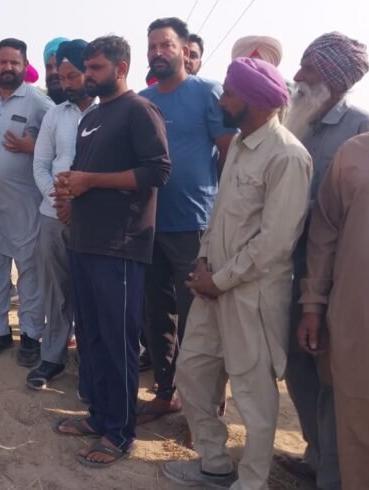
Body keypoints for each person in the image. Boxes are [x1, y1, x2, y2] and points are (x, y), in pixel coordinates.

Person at [163, 58, 310, 490]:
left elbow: (274, 242)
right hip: (213, 288)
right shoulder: (240, 146)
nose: (221, 100)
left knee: (253, 398)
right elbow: (220, 213)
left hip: (252, 297)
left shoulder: (287, 155)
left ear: (256, 101)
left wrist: (221, 279)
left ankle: (251, 482)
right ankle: (214, 464)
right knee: (191, 373)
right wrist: (203, 261)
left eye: (228, 93)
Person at [51, 35, 171, 468]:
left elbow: (158, 170)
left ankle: (119, 433)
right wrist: (70, 190)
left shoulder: (140, 110)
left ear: (121, 68)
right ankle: (100, 416)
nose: (88, 75)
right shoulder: (93, 116)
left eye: (96, 68)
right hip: (84, 240)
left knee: (118, 342)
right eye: (87, 67)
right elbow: (85, 172)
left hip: (119, 245)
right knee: (92, 337)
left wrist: (90, 182)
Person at [298, 39, 369, 490]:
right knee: (356, 440)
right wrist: (312, 306)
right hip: (353, 325)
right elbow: (324, 234)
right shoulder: (356, 152)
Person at [279, 32, 369, 490]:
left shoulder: (362, 128)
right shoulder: (296, 120)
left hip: (334, 276)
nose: (298, 76)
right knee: (296, 368)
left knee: (330, 375)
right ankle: (316, 456)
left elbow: (357, 210)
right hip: (290, 267)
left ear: (335, 79)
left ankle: (334, 476)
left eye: (310, 68)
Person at [138, 17, 235, 424]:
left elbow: (229, 155)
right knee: (157, 315)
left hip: (194, 225)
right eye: (152, 46)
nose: (158, 52)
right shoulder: (142, 100)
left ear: (183, 49)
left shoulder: (207, 93)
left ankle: (206, 411)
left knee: (199, 319)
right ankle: (167, 393)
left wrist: (223, 215)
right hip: (149, 225)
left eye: (166, 45)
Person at [0, 38, 53, 366]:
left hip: (26, 205)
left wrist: (32, 146)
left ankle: (31, 336)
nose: (7, 67)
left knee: (29, 274)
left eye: (14, 62)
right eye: (2, 62)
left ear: (24, 66)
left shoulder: (39, 103)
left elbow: (60, 145)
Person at [29, 39, 96, 390]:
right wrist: (55, 198)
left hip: (94, 219)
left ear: (89, 71)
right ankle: (52, 357)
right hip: (53, 215)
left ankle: (89, 363)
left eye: (73, 76)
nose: (66, 83)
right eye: (62, 76)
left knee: (90, 292)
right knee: (56, 291)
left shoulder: (108, 111)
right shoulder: (55, 115)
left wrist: (79, 204)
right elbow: (41, 163)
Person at [44, 37, 70, 104]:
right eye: (49, 67)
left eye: (58, 66)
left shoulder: (88, 108)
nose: (53, 72)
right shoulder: (39, 106)